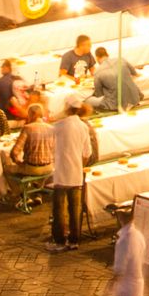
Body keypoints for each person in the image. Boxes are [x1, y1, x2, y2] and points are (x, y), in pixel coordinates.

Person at [42, 98, 94, 249]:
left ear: (67, 108)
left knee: (59, 209)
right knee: (75, 209)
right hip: (76, 174)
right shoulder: (83, 127)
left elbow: (46, 138)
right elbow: (87, 153)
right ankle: (74, 240)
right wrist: (79, 166)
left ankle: (59, 240)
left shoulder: (60, 126)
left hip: (61, 173)